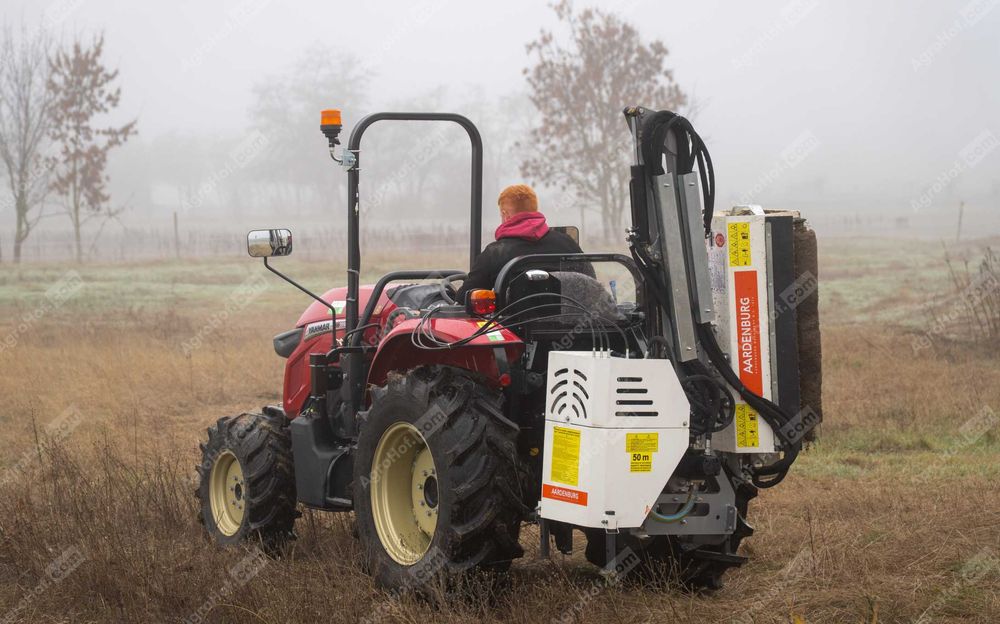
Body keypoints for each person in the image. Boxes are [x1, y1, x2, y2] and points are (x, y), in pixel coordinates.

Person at [457, 184, 594, 299]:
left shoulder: (495, 253)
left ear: (505, 215)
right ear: (534, 211)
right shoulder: (568, 243)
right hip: (569, 324)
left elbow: (465, 298)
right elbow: (592, 284)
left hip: (515, 330)